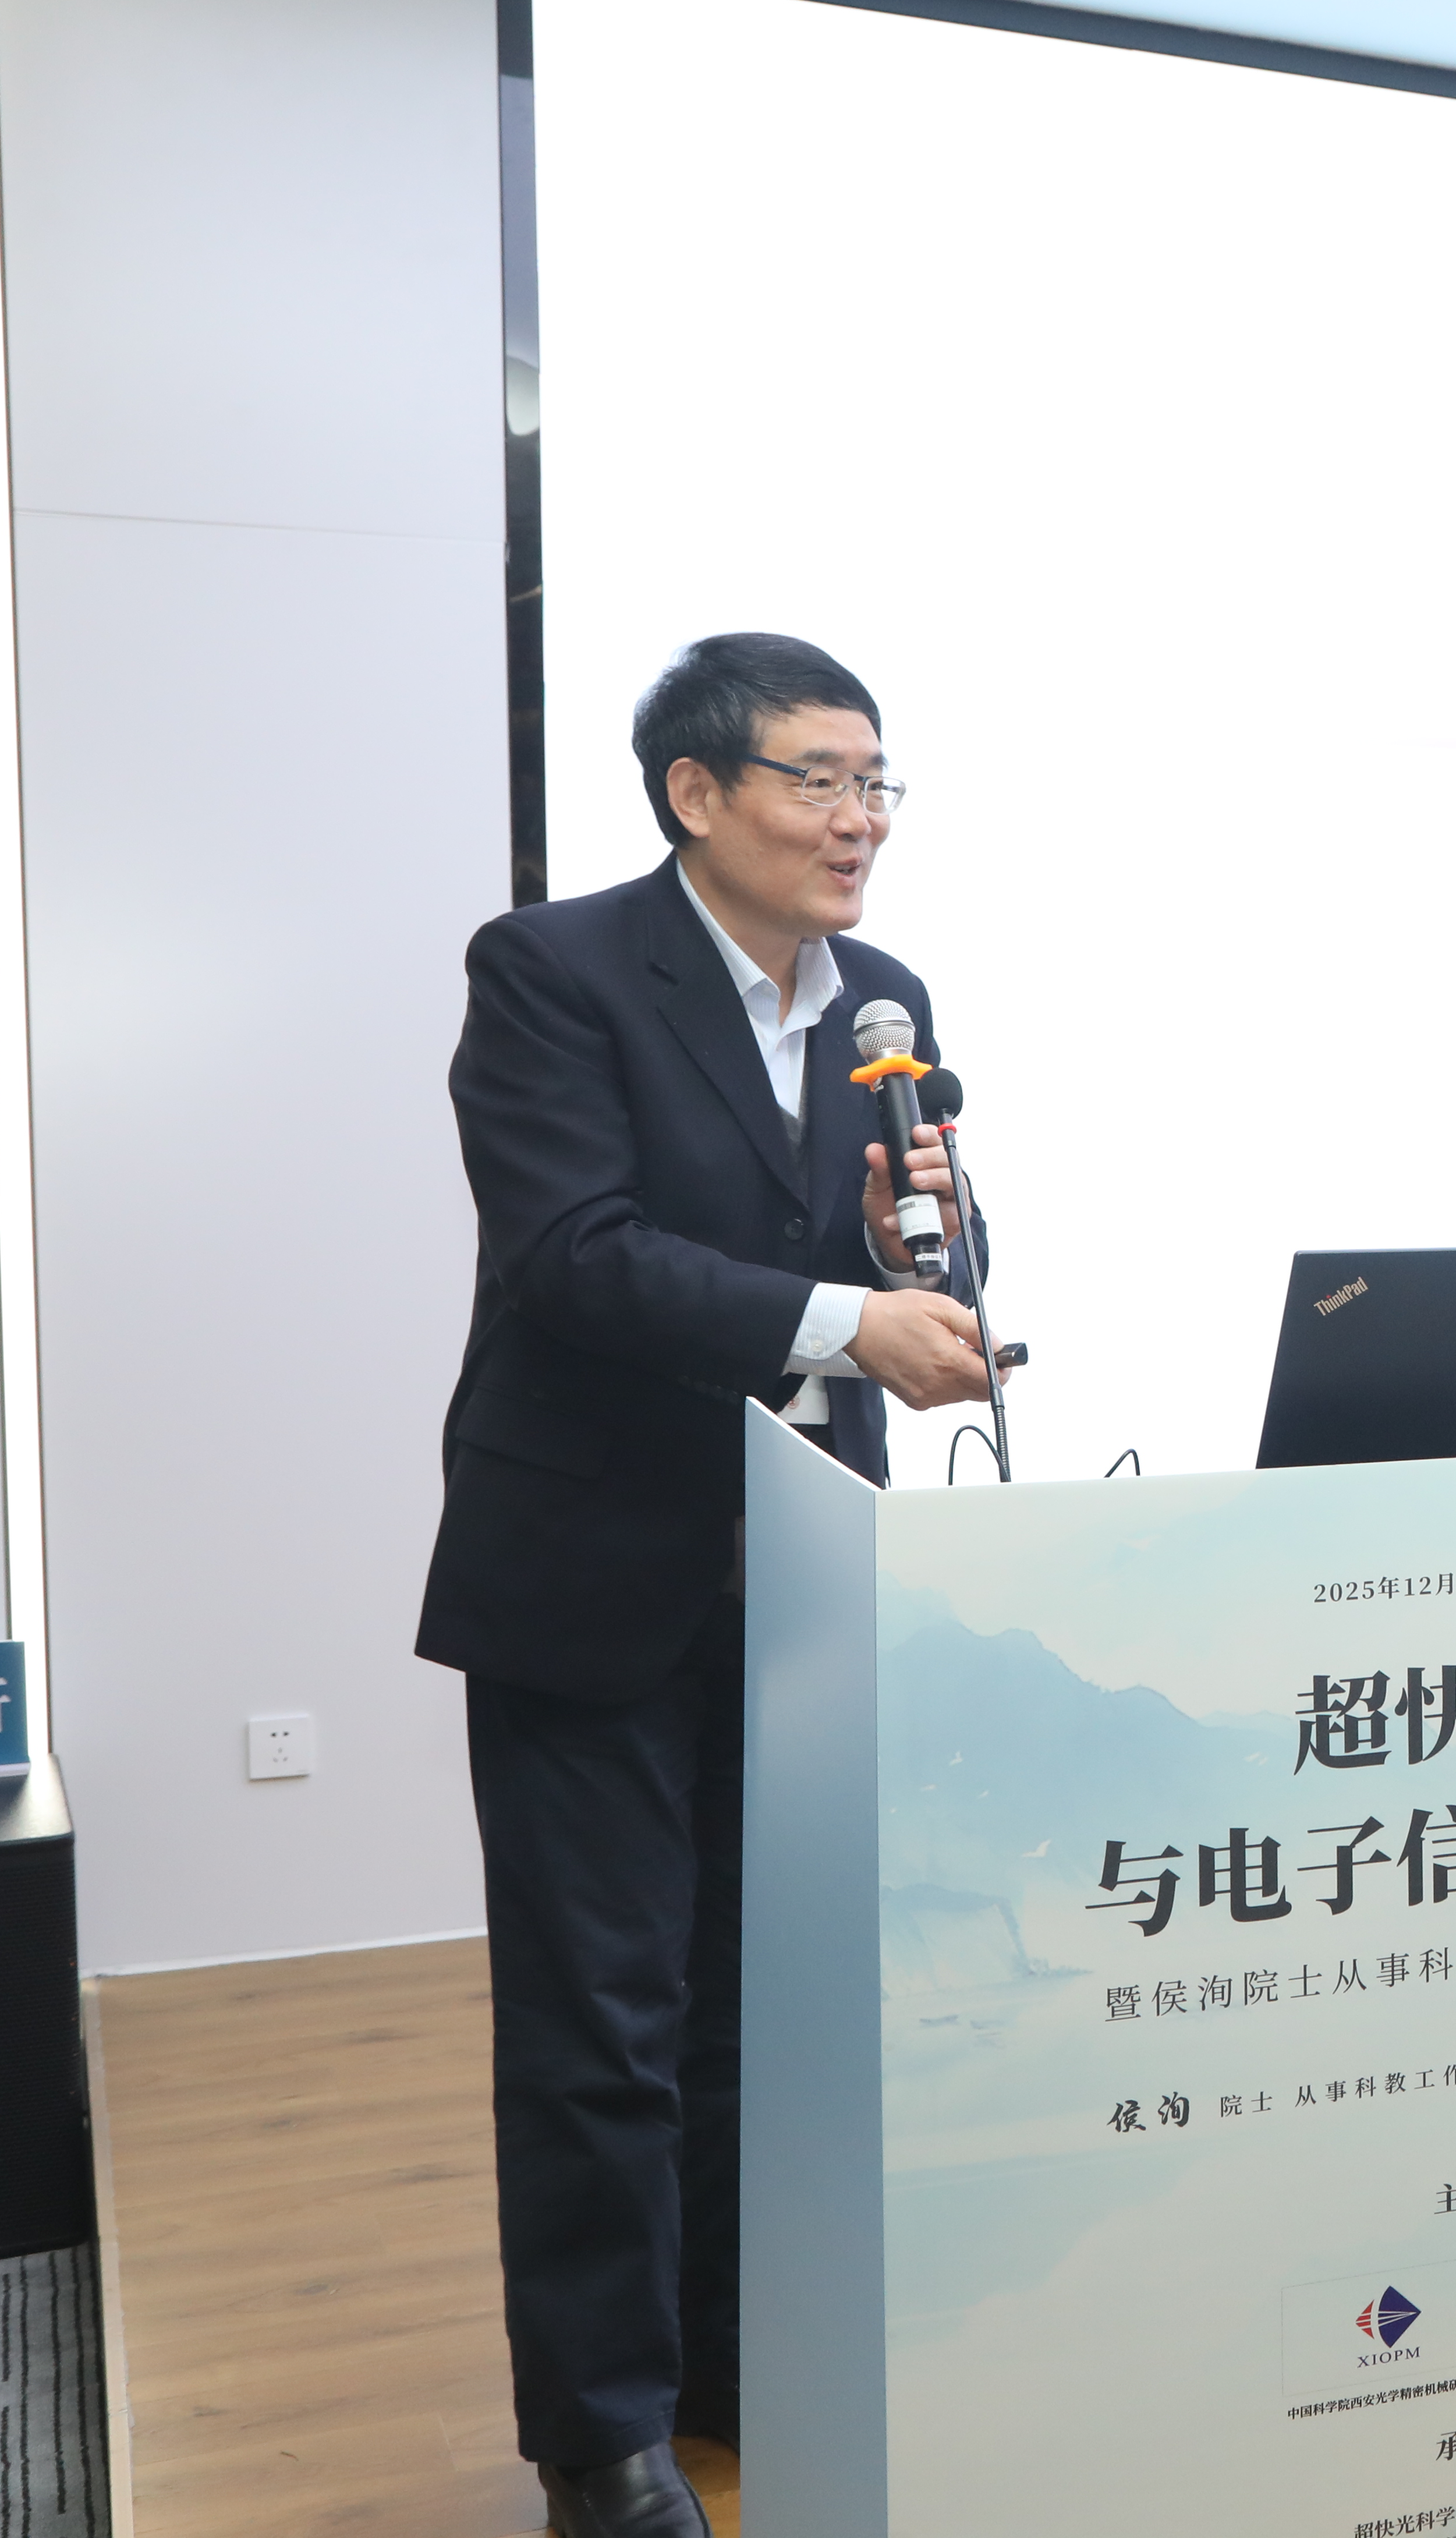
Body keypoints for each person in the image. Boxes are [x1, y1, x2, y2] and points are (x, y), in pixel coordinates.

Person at [415, 634, 991, 2538]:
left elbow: (921, 1250)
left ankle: (731, 2355)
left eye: (877, 784)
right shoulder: (556, 970)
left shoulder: (886, 1001)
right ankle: (603, 2436)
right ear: (696, 792)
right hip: (593, 1571)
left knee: (768, 2001)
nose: (859, 822)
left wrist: (923, 1257)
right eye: (819, 781)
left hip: (806, 1576)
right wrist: (844, 1317)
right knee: (603, 2025)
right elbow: (576, 1254)